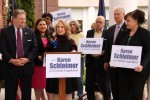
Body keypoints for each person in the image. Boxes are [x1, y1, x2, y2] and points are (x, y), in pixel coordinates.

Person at [0, 9, 37, 100]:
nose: (23, 21)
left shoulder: (30, 32)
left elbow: (34, 48)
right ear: (14, 19)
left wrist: (27, 59)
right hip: (11, 67)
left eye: (24, 19)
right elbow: (2, 48)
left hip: (26, 66)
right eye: (21, 19)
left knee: (26, 94)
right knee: (10, 94)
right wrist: (12, 60)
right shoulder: (5, 31)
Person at [118, 9, 150, 100]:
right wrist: (115, 61)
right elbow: (119, 49)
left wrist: (142, 65)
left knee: (136, 94)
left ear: (136, 21)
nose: (126, 23)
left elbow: (149, 51)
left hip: (138, 70)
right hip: (125, 69)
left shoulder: (144, 33)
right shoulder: (124, 33)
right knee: (123, 93)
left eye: (128, 21)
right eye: (125, 21)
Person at [46, 19, 78, 100]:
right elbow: (46, 51)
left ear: (66, 28)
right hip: (55, 72)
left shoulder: (70, 41)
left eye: (62, 27)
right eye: (58, 27)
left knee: (68, 92)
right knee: (55, 92)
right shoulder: (53, 40)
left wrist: (74, 51)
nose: (60, 29)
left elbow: (74, 48)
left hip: (67, 72)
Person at [104, 6, 127, 100]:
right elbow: (107, 46)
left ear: (123, 15)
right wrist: (106, 61)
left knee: (122, 87)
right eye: (114, 14)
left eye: (118, 14)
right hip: (111, 63)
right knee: (114, 86)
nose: (116, 16)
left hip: (123, 63)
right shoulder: (110, 29)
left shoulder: (128, 28)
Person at [85, 16, 110, 100]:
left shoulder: (107, 33)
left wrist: (104, 52)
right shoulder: (89, 32)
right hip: (91, 61)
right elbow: (86, 44)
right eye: (97, 21)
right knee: (89, 84)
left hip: (102, 61)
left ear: (104, 23)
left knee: (104, 84)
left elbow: (109, 47)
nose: (98, 23)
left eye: (100, 22)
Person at [32, 18, 52, 100]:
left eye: (44, 24)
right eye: (40, 24)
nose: (42, 26)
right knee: (38, 84)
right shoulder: (33, 35)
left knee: (48, 85)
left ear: (47, 26)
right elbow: (31, 48)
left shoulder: (50, 35)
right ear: (37, 26)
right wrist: (38, 56)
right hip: (38, 64)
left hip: (49, 64)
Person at [69, 20, 85, 100]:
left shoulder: (81, 34)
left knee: (79, 77)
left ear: (77, 26)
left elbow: (84, 46)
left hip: (80, 58)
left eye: (73, 25)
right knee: (71, 76)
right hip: (70, 59)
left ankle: (80, 94)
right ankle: (71, 93)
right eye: (71, 25)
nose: (72, 26)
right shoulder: (68, 35)